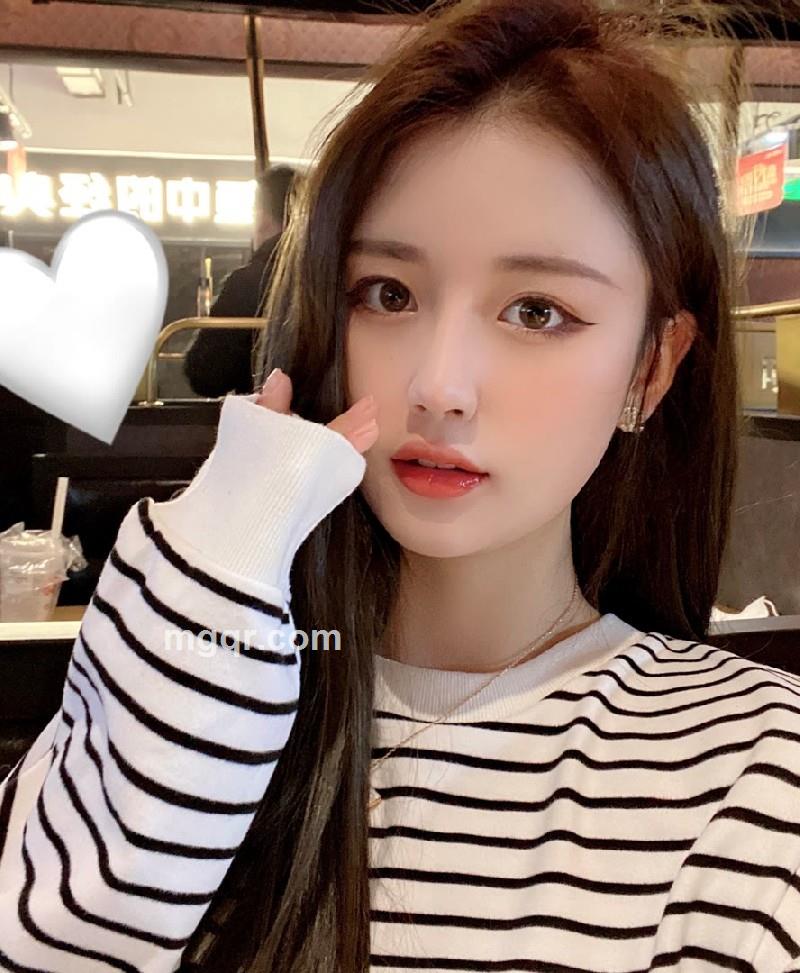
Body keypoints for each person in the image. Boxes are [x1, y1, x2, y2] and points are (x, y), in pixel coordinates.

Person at [2, 1, 800, 971]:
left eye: (536, 310)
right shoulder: (189, 686)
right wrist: (207, 564)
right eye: (388, 294)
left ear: (651, 368)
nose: (437, 385)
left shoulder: (754, 779)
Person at [182, 165, 298, 397]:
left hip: (264, 414)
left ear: (262, 218)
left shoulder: (248, 284)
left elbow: (205, 377)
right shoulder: (333, 279)